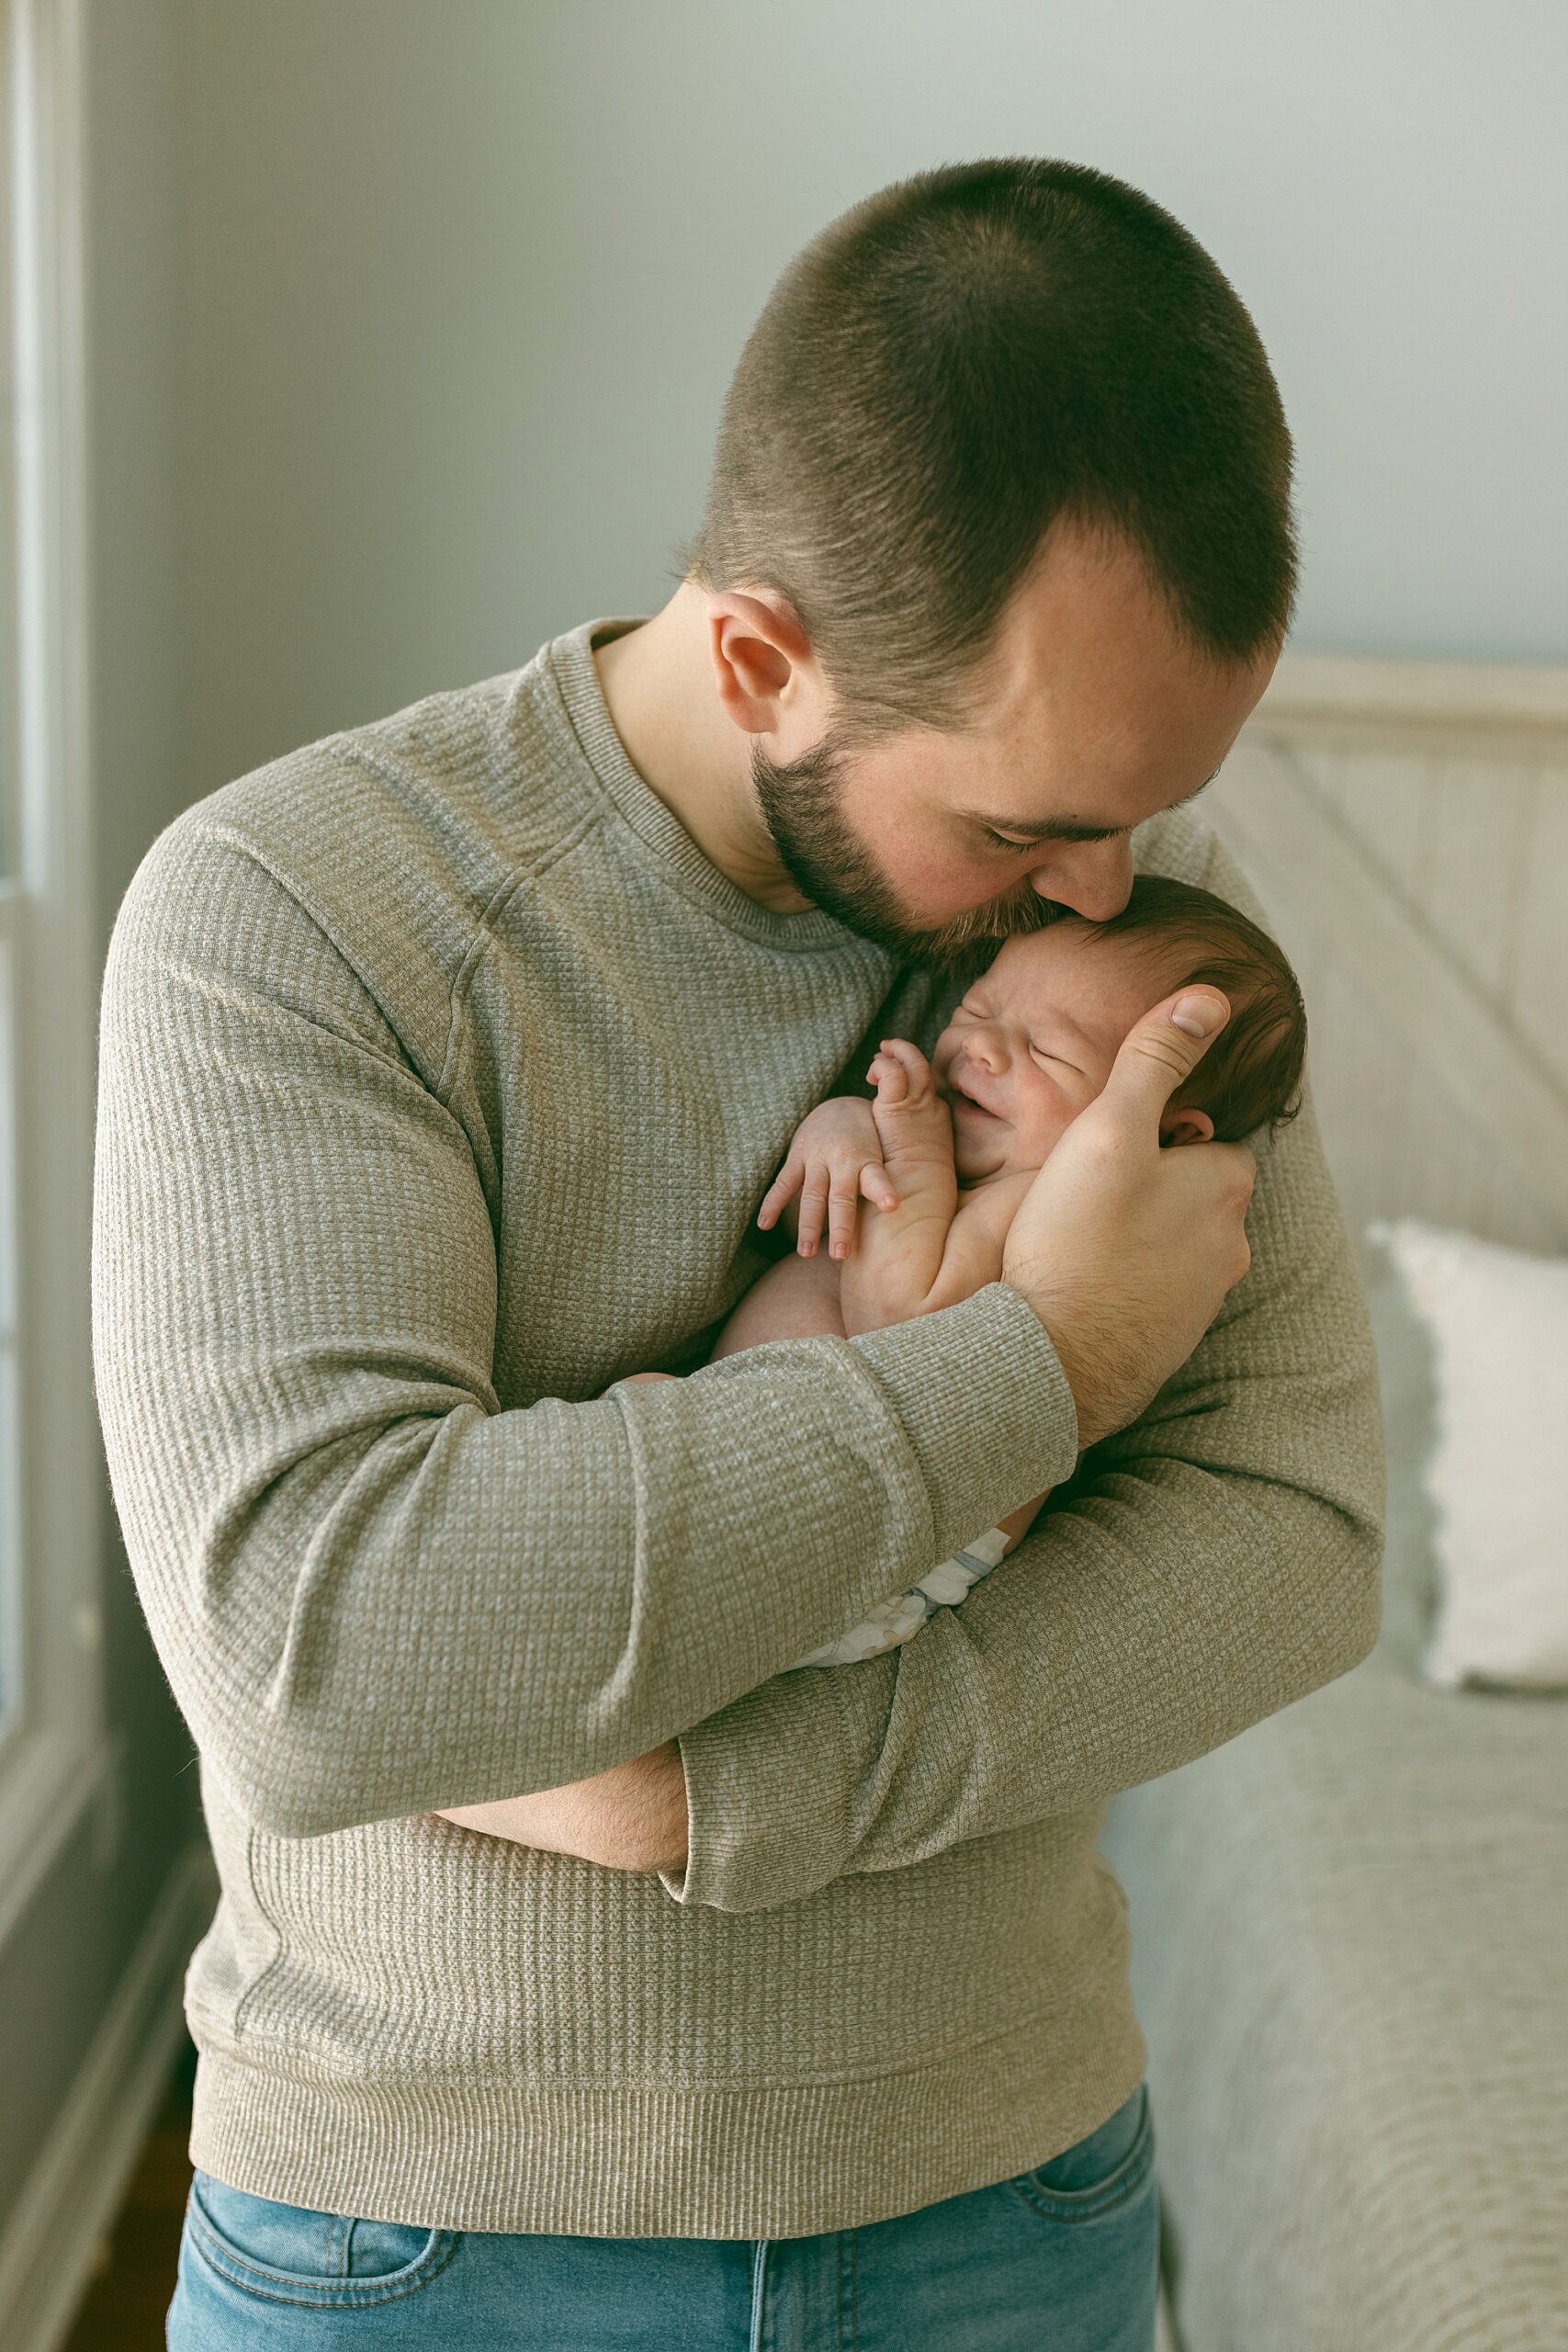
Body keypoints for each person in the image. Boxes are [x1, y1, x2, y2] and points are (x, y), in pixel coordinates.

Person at [91, 157, 1384, 2350]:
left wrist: (723, 1793)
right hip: (416, 2243)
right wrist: (1041, 1364)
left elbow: (1293, 1532)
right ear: (764, 656)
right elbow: (323, 1655)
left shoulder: (1120, 927)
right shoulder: (296, 911)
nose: (1094, 894)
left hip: (1003, 2200)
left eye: (1138, 814)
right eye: (1019, 827)